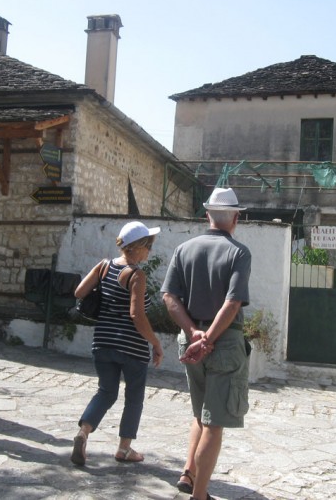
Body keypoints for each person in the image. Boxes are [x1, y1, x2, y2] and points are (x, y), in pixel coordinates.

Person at [161, 187, 252, 500]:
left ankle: (188, 473)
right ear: (235, 218)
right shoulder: (239, 253)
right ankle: (199, 495)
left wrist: (193, 333)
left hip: (190, 343)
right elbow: (233, 302)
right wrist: (209, 338)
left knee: (201, 414)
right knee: (214, 423)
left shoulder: (184, 249)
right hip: (223, 344)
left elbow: (169, 297)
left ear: (207, 216)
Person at [70, 221, 164, 466]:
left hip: (103, 341)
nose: (150, 251)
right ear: (138, 247)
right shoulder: (136, 275)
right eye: (148, 246)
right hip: (131, 346)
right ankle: (124, 449)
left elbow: (79, 292)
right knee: (134, 397)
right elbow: (137, 315)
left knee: (106, 392)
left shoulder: (104, 266)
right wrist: (155, 343)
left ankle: (83, 432)